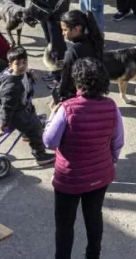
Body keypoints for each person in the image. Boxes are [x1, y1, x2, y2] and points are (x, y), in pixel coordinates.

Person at [44, 57, 124, 259]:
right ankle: (93, 255)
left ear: (77, 82)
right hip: (100, 177)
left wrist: (51, 116)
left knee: (64, 225)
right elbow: (118, 141)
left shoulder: (67, 109)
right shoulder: (112, 106)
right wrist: (109, 162)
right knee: (94, 217)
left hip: (69, 179)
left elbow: (50, 142)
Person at [0, 46, 55, 165]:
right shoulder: (11, 86)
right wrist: (4, 123)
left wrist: (30, 73)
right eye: (18, 63)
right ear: (10, 65)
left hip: (22, 106)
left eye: (25, 62)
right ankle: (40, 155)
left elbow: (24, 73)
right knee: (35, 129)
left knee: (35, 118)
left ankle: (27, 134)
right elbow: (7, 107)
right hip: (15, 113)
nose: (22, 66)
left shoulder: (19, 73)